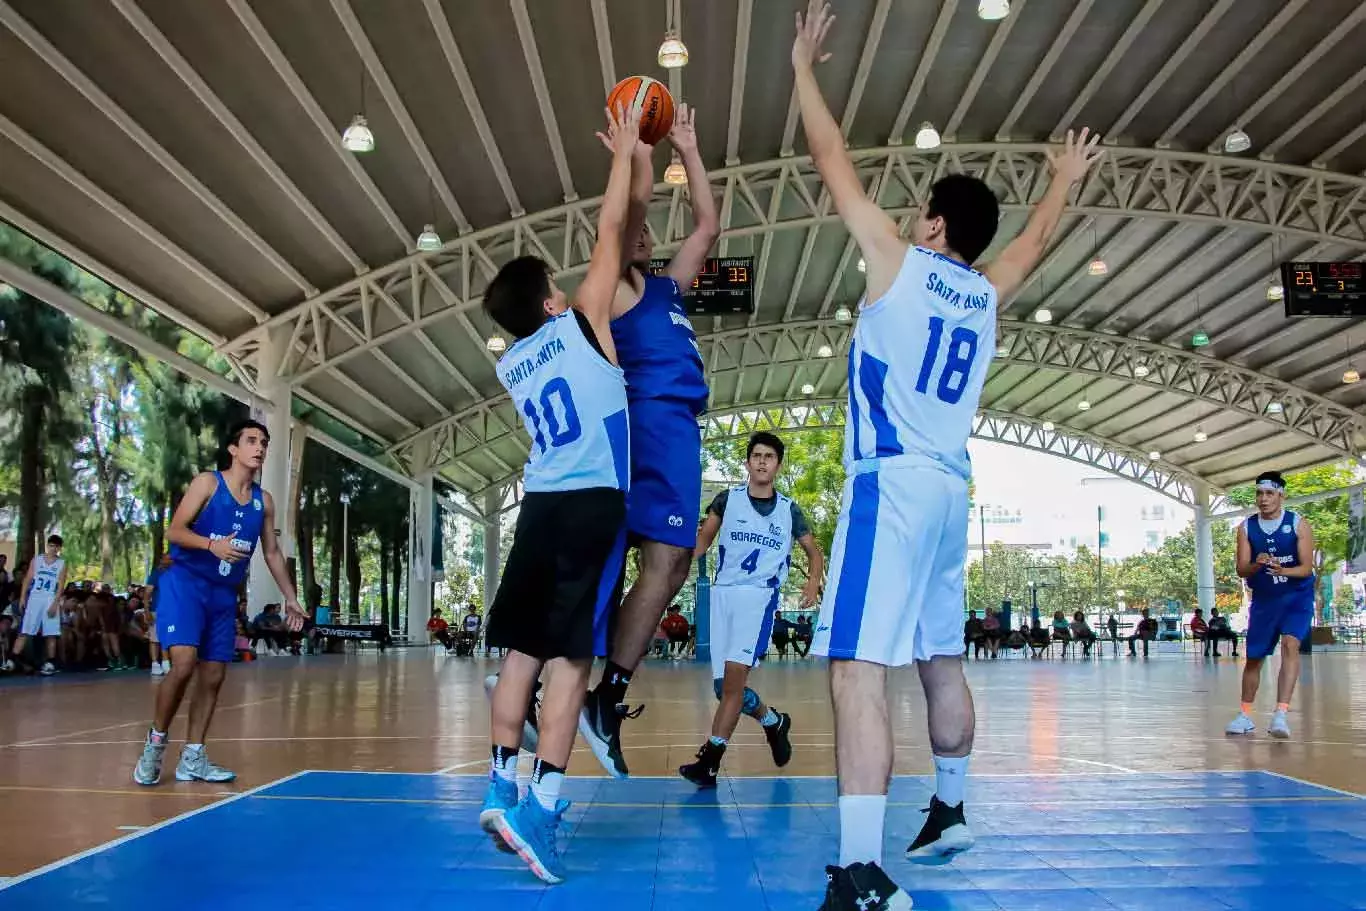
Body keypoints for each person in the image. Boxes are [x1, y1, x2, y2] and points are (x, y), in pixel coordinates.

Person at [791, 3, 1104, 905]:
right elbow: (1036, 242)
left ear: (932, 227)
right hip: (949, 491)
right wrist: (1064, 179)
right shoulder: (982, 293)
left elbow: (829, 161)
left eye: (920, 211)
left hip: (889, 486)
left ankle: (860, 870)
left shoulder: (894, 261)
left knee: (857, 670)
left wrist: (806, 70)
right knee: (938, 658)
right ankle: (952, 807)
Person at [478, 100, 640, 886]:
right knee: (574, 656)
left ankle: (498, 778)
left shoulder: (514, 364)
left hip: (537, 505)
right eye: (555, 281)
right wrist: (623, 155)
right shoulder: (581, 324)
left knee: (521, 649)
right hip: (590, 505)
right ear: (550, 303)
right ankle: (542, 805)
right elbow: (611, 235)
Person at [576, 101, 721, 780]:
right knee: (660, 564)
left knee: (674, 567)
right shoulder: (627, 286)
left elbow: (709, 225)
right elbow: (628, 216)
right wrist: (635, 154)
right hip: (652, 427)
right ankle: (593, 689)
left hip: (677, 435)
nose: (646, 232)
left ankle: (597, 689)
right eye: (635, 230)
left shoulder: (667, 288)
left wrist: (688, 148)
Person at [131, 420, 305, 787]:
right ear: (234, 448)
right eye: (252, 441)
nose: (259, 448)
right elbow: (175, 531)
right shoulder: (208, 484)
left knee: (213, 675)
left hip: (223, 594)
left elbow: (272, 553)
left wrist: (290, 597)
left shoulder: (264, 501)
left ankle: (193, 756)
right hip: (185, 583)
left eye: (264, 443)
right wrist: (212, 545)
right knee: (183, 664)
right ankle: (155, 744)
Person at [681, 431, 822, 788]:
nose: (762, 461)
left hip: (758, 600)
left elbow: (814, 553)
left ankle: (710, 762)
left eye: (769, 456)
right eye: (756, 455)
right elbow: (702, 541)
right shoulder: (728, 500)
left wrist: (812, 581)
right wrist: (673, 563)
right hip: (722, 596)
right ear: (747, 462)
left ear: (777, 464)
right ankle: (773, 721)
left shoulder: (790, 509)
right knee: (723, 689)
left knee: (731, 689)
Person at [1227, 470, 1315, 739]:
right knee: (1254, 658)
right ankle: (1245, 715)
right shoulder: (1246, 528)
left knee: (1291, 645)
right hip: (1265, 600)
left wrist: (1282, 570)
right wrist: (1258, 563)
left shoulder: (1298, 524)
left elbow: (1306, 568)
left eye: (1269, 493)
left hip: (1296, 597)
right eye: (1259, 493)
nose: (1263, 499)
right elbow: (1242, 570)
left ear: (1280, 495)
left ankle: (1280, 714)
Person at [12, 535, 66, 676]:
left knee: (50, 632)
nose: (53, 548)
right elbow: (28, 579)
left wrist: (55, 603)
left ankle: (50, 663)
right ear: (47, 546)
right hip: (35, 598)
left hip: (50, 598)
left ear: (59, 548)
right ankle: (12, 659)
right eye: (51, 545)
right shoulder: (37, 560)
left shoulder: (61, 564)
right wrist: (23, 597)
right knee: (25, 629)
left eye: (56, 546)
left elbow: (61, 586)